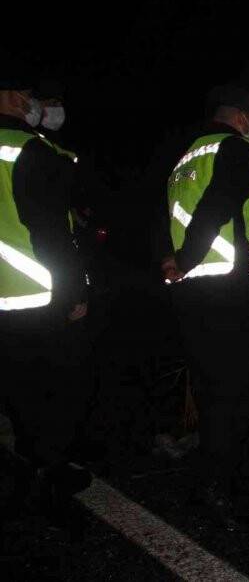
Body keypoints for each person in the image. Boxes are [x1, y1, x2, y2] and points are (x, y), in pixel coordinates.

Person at [160, 84, 249, 530]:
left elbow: (171, 217)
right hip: (222, 288)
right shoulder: (235, 149)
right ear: (239, 118)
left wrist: (175, 262)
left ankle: (208, 476)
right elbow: (218, 206)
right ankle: (218, 486)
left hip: (191, 295)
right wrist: (184, 260)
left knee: (209, 387)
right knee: (233, 393)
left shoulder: (184, 159)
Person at [0, 70, 91, 519]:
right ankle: (47, 477)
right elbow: (51, 233)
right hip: (33, 293)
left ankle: (26, 462)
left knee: (14, 385)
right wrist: (76, 289)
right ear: (15, 98)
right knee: (49, 387)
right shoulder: (29, 150)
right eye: (30, 95)